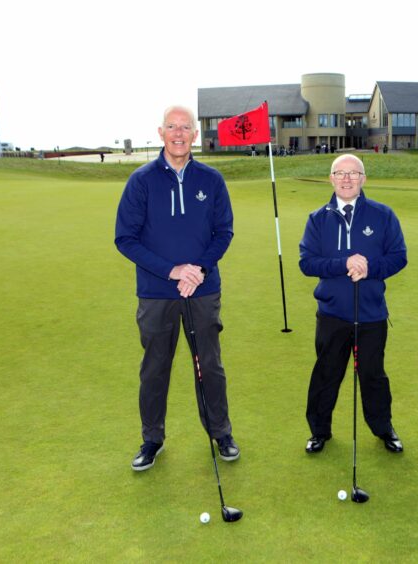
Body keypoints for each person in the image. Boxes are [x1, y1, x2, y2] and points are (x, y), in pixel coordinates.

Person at [115, 105, 240, 471]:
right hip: (156, 293)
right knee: (155, 368)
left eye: (186, 127)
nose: (179, 133)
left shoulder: (212, 180)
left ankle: (221, 433)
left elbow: (224, 233)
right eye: (173, 126)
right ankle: (152, 438)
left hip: (202, 289)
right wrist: (173, 271)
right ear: (161, 132)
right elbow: (125, 239)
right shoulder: (141, 180)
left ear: (195, 135)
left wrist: (197, 270)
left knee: (210, 365)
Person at [299, 154, 408, 454]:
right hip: (332, 314)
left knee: (373, 375)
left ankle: (384, 428)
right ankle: (319, 431)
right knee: (326, 374)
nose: (347, 179)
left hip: (371, 314)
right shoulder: (317, 219)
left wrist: (369, 267)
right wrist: (343, 263)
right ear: (331, 178)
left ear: (363, 179)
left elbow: (399, 257)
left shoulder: (383, 215)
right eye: (340, 173)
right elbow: (307, 263)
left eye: (353, 173)